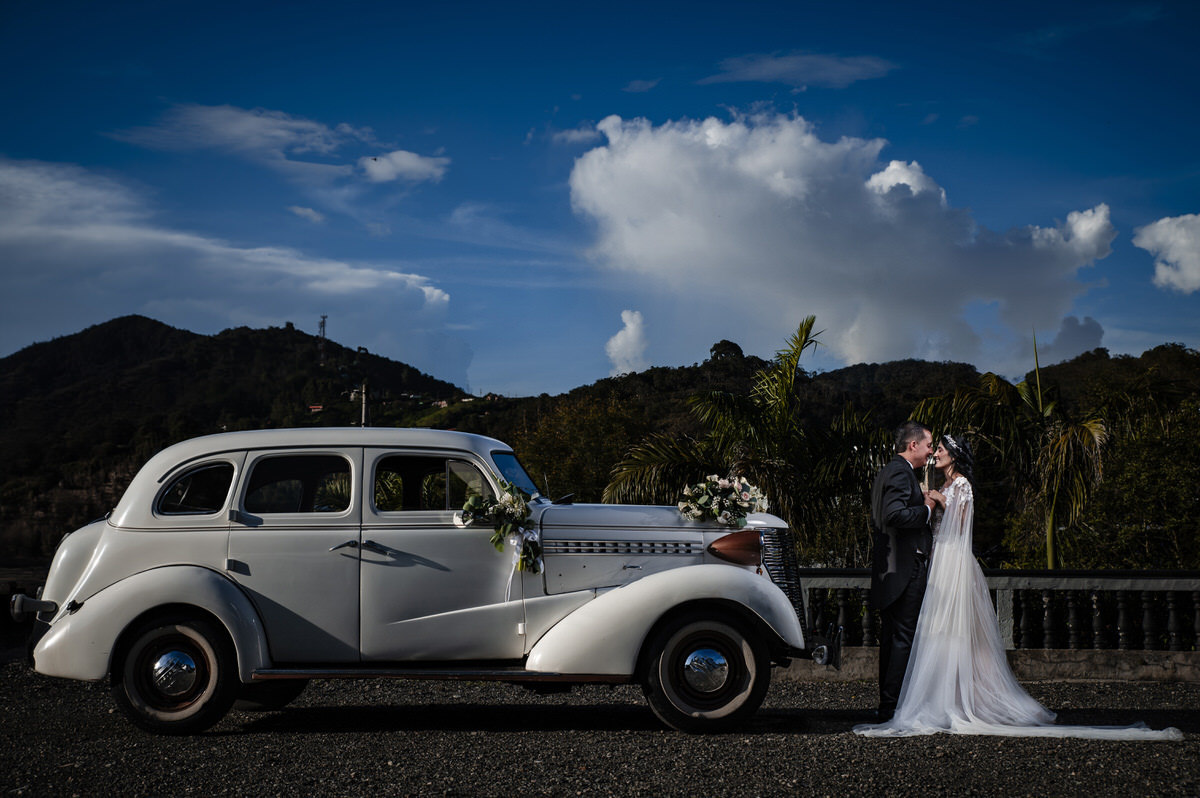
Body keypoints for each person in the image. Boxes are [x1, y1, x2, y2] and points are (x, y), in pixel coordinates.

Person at [855, 434, 1182, 740]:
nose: (935, 453)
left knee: (955, 631)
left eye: (941, 449)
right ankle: (938, 694)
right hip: (938, 559)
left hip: (953, 559)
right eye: (934, 447)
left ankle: (957, 699)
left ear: (954, 455)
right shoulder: (947, 483)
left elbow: (961, 527)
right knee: (938, 631)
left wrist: (938, 501)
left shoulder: (962, 486)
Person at [868, 420, 936, 721]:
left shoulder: (890, 470)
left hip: (892, 569)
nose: (931, 451)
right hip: (904, 569)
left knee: (894, 637)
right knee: (901, 638)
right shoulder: (900, 472)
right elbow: (894, 514)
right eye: (929, 445)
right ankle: (893, 707)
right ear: (913, 445)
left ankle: (889, 704)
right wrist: (928, 509)